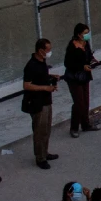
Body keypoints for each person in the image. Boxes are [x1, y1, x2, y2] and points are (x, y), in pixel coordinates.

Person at [22, 39, 62, 170]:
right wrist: (45, 88)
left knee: (46, 129)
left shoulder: (42, 62)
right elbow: (27, 85)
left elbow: (41, 77)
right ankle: (40, 157)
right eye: (48, 50)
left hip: (46, 100)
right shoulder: (31, 65)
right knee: (39, 131)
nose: (49, 52)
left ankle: (44, 152)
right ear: (40, 51)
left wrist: (51, 77)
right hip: (37, 103)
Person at [65, 23, 100, 139]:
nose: (87, 35)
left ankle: (86, 124)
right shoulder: (72, 46)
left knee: (85, 101)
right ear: (79, 34)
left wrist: (92, 60)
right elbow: (68, 63)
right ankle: (74, 128)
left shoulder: (86, 43)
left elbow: (88, 56)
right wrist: (82, 66)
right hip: (74, 78)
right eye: (85, 33)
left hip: (85, 76)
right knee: (78, 102)